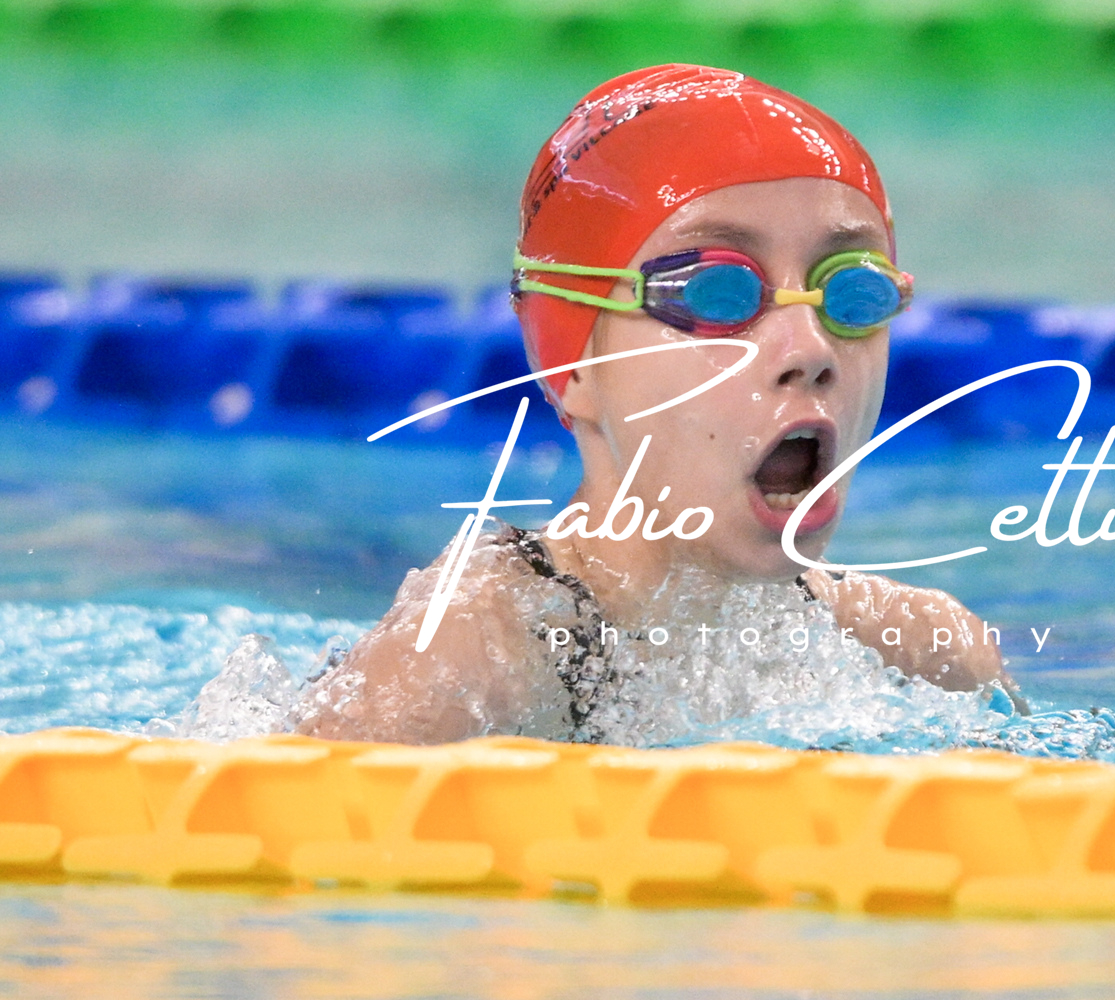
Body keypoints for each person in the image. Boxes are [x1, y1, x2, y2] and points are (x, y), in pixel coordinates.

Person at [294, 64, 1027, 745]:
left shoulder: (923, 655)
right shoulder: (466, 662)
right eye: (719, 292)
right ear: (573, 367)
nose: (810, 350)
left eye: (852, 292)